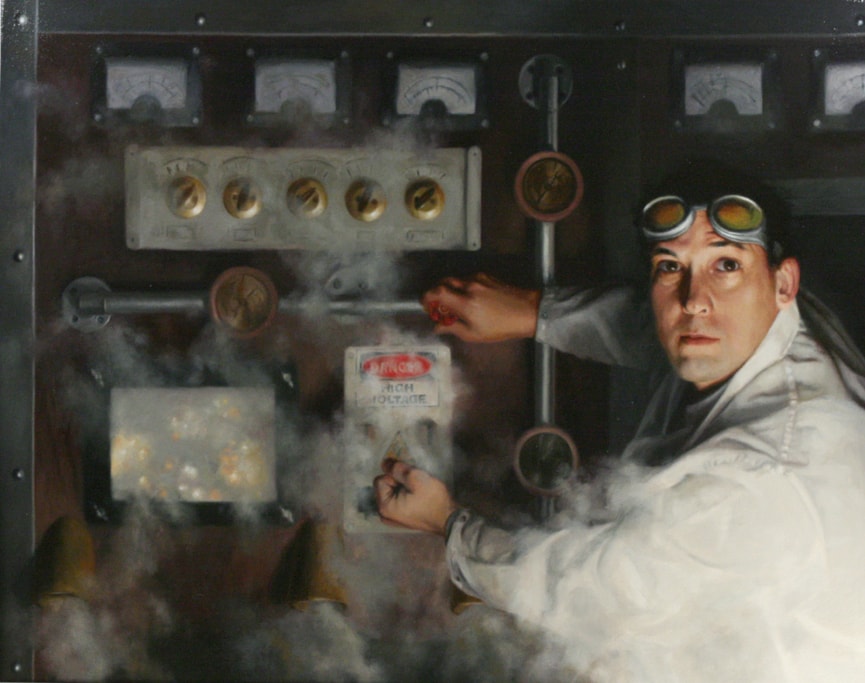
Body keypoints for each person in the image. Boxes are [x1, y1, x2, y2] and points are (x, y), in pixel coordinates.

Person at [373, 161, 865, 682]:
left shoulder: (767, 476)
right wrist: (531, 312)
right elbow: (645, 325)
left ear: (783, 282)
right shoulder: (773, 331)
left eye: (726, 265)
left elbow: (587, 589)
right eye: (670, 267)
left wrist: (448, 524)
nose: (694, 302)